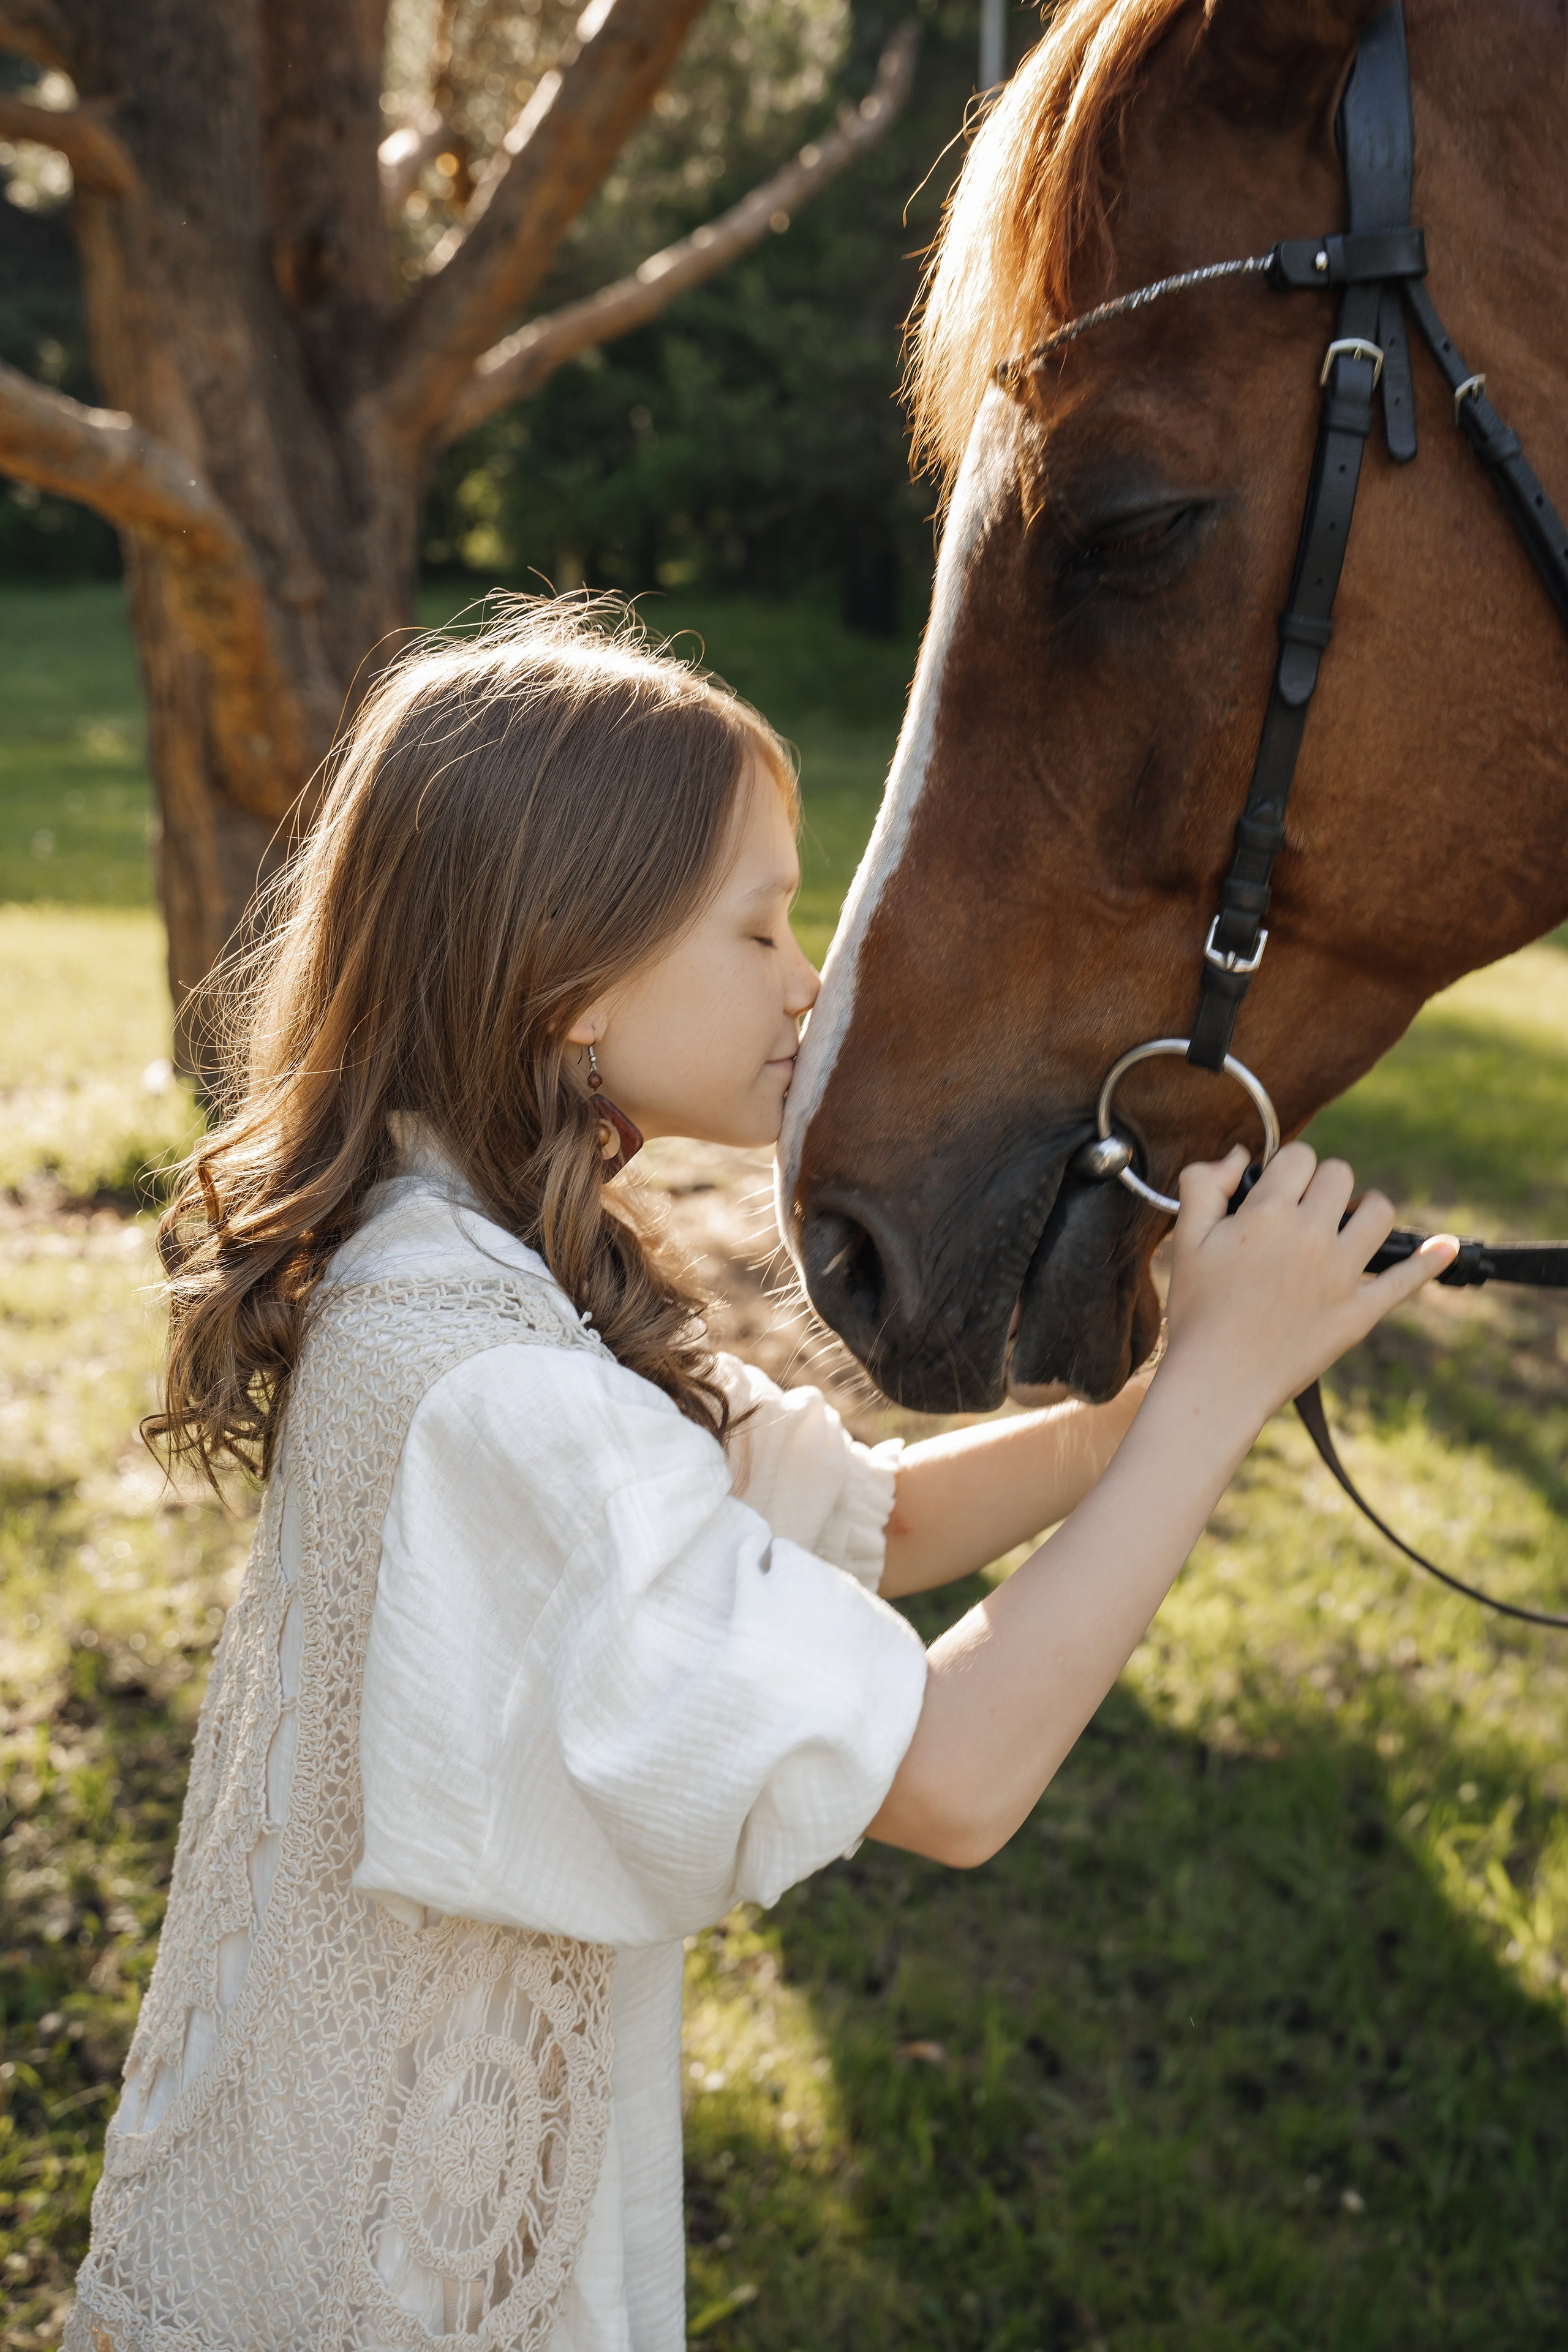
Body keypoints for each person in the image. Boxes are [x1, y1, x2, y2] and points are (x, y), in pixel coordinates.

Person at [64, 601, 1456, 2352]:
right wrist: (1216, 1398)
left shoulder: (456, 1265)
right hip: (374, 2287)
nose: (810, 982)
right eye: (759, 926)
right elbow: (953, 1780)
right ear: (572, 977)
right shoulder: (496, 1394)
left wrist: (1183, 1385)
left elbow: (882, 1515)